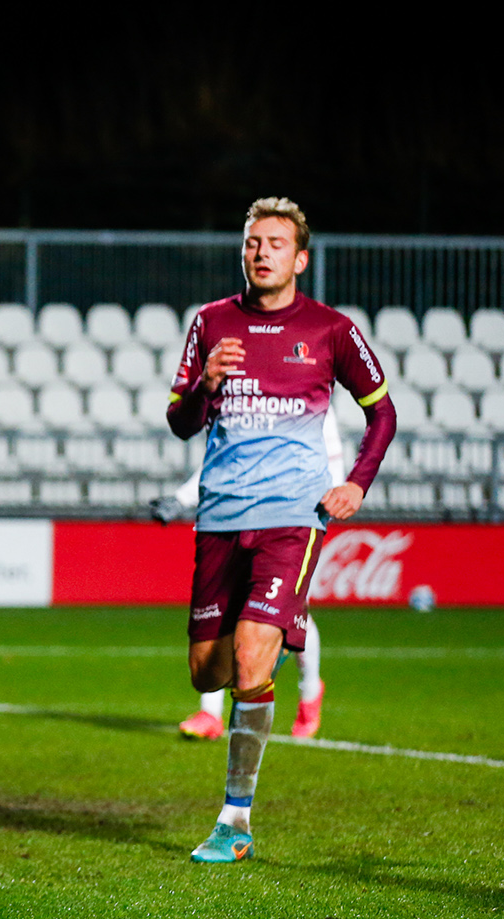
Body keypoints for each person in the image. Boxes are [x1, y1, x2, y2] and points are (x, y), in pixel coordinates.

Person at [166, 197, 395, 864]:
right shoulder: (210, 323)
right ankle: (273, 650)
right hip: (219, 517)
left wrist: (356, 481)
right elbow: (180, 421)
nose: (260, 251)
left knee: (253, 652)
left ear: (299, 258)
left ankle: (235, 819)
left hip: (294, 517)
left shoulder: (330, 329)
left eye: (274, 242)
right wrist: (206, 385)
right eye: (251, 242)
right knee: (208, 668)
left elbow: (383, 414)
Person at [153, 410, 343, 740]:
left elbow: (331, 457)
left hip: (294, 521)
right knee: (228, 611)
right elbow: (224, 459)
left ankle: (310, 691)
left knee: (293, 615)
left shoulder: (311, 397)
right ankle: (210, 713)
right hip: (237, 517)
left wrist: (327, 504)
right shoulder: (247, 393)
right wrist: (181, 498)